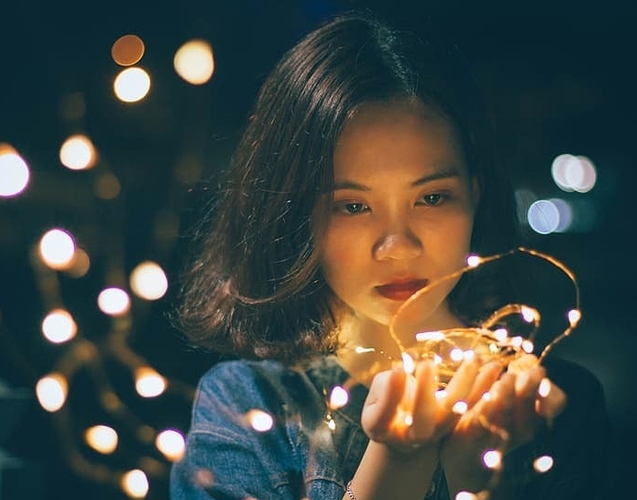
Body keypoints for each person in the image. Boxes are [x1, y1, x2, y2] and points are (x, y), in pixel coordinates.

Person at [169, 9, 611, 500]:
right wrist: (398, 461)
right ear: (295, 214)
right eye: (353, 206)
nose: (398, 245)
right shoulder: (248, 407)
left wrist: (481, 481)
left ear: (476, 194)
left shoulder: (549, 409)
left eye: (432, 197)